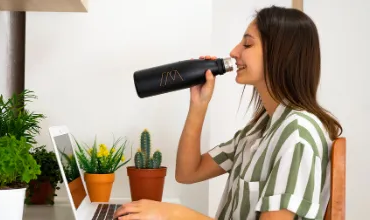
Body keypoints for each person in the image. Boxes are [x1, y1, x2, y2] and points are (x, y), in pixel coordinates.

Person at [115, 6, 340, 220]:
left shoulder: (297, 136)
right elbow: (187, 172)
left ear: (281, 54)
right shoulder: (260, 129)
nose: (234, 52)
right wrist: (199, 103)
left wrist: (172, 214)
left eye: (247, 45)